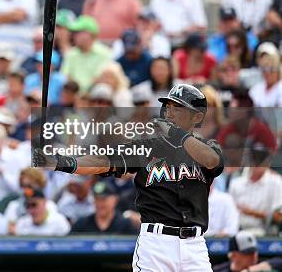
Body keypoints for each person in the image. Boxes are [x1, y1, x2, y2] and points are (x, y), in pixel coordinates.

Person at [43, 84, 225, 271]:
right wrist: (62, 162)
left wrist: (177, 134)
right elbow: (103, 161)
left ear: (197, 117)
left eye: (177, 108)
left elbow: (211, 161)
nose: (169, 113)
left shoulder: (209, 147)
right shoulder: (148, 147)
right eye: (168, 107)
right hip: (156, 244)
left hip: (194, 246)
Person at [229, 155, 282, 236]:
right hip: (237, 230)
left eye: (261, 161)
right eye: (254, 161)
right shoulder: (237, 182)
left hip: (264, 232)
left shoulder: (275, 181)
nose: (257, 165)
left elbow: (278, 217)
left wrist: (252, 212)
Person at [61, 16, 113, 91]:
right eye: (74, 33)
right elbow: (65, 77)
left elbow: (102, 78)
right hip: (73, 95)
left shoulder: (105, 53)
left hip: (95, 97)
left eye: (78, 32)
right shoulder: (71, 54)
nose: (74, 36)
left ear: (90, 34)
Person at [71, 181, 137, 234]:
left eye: (103, 199)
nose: (100, 203)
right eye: (97, 199)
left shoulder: (125, 224)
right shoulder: (82, 224)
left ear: (115, 200)